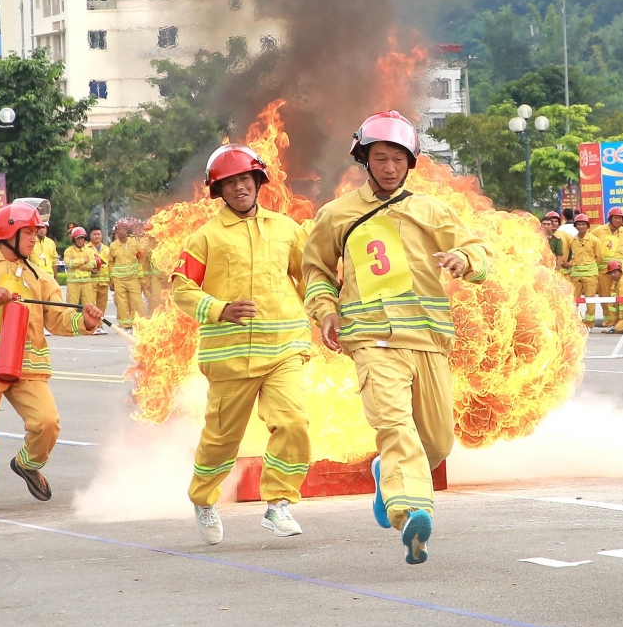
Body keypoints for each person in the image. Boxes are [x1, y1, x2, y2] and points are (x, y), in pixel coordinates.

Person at [301, 110, 489, 565]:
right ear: (364, 160)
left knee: (437, 443)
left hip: (427, 338)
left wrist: (466, 260)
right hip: (369, 339)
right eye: (380, 158)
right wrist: (325, 312)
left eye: (397, 159)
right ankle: (411, 514)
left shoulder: (432, 210)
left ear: (410, 162)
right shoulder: (337, 215)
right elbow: (316, 272)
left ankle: (388, 472)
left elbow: (478, 249)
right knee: (394, 425)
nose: (388, 167)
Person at [172, 144, 311, 544]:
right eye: (229, 183)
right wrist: (218, 309)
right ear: (219, 190)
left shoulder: (287, 230)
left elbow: (310, 277)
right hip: (230, 359)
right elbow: (182, 289)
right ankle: (203, 499)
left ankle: (279, 503)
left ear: (258, 182)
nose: (239, 188)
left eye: (244, 180)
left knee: (293, 423)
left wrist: (328, 313)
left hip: (284, 348)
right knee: (221, 441)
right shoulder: (205, 238)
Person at [0, 203, 103, 515]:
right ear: (8, 233)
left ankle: (27, 463)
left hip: (28, 367)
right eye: (28, 233)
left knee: (48, 423)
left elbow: (57, 320)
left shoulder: (40, 275)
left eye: (36, 233)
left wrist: (87, 322)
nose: (34, 239)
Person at [563, 214, 603, 328]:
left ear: (587, 226)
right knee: (574, 299)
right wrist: (569, 264)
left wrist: (593, 269)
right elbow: (573, 257)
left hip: (590, 274)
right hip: (576, 274)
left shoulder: (594, 240)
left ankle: (589, 323)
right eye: (579, 224)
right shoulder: (573, 240)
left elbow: (599, 257)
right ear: (575, 226)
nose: (581, 227)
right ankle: (575, 322)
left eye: (583, 224)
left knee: (590, 300)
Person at [108, 221, 145, 331]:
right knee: (122, 302)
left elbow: (140, 259)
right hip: (119, 280)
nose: (121, 231)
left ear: (127, 231)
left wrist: (141, 276)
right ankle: (125, 324)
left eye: (124, 229)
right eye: (119, 229)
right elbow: (110, 263)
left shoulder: (134, 243)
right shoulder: (113, 246)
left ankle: (139, 322)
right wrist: (112, 280)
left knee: (137, 301)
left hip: (133, 278)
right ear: (116, 232)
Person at [64, 228, 96, 307]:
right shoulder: (68, 251)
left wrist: (79, 265)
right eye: (78, 238)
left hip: (86, 283)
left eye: (82, 238)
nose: (80, 240)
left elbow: (93, 264)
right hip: (73, 284)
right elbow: (69, 264)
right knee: (71, 307)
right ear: (73, 239)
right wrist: (83, 261)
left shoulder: (89, 251)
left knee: (89, 307)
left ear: (84, 239)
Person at [90, 226, 111, 318]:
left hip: (104, 283)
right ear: (90, 236)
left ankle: (99, 325)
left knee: (102, 306)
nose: (97, 236)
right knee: (90, 305)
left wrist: (111, 280)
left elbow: (110, 265)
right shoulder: (86, 249)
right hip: (91, 283)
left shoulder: (107, 249)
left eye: (98, 234)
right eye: (94, 234)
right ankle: (91, 325)